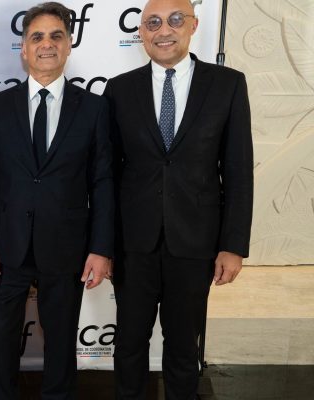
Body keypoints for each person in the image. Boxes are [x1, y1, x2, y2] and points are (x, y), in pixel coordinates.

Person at [102, 0, 254, 398]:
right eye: (153, 22)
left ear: (193, 25)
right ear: (141, 32)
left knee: (184, 349)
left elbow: (238, 171)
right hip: (133, 244)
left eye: (174, 20)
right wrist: (104, 244)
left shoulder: (227, 84)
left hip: (196, 243)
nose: (163, 30)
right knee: (129, 345)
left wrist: (233, 246)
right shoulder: (120, 89)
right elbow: (108, 175)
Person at [0, 2, 114, 399]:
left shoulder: (94, 108)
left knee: (62, 343)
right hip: (7, 247)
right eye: (37, 37)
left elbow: (103, 183)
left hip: (68, 247)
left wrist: (101, 248)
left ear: (68, 45)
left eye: (56, 36)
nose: (46, 44)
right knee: (2, 342)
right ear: (23, 48)